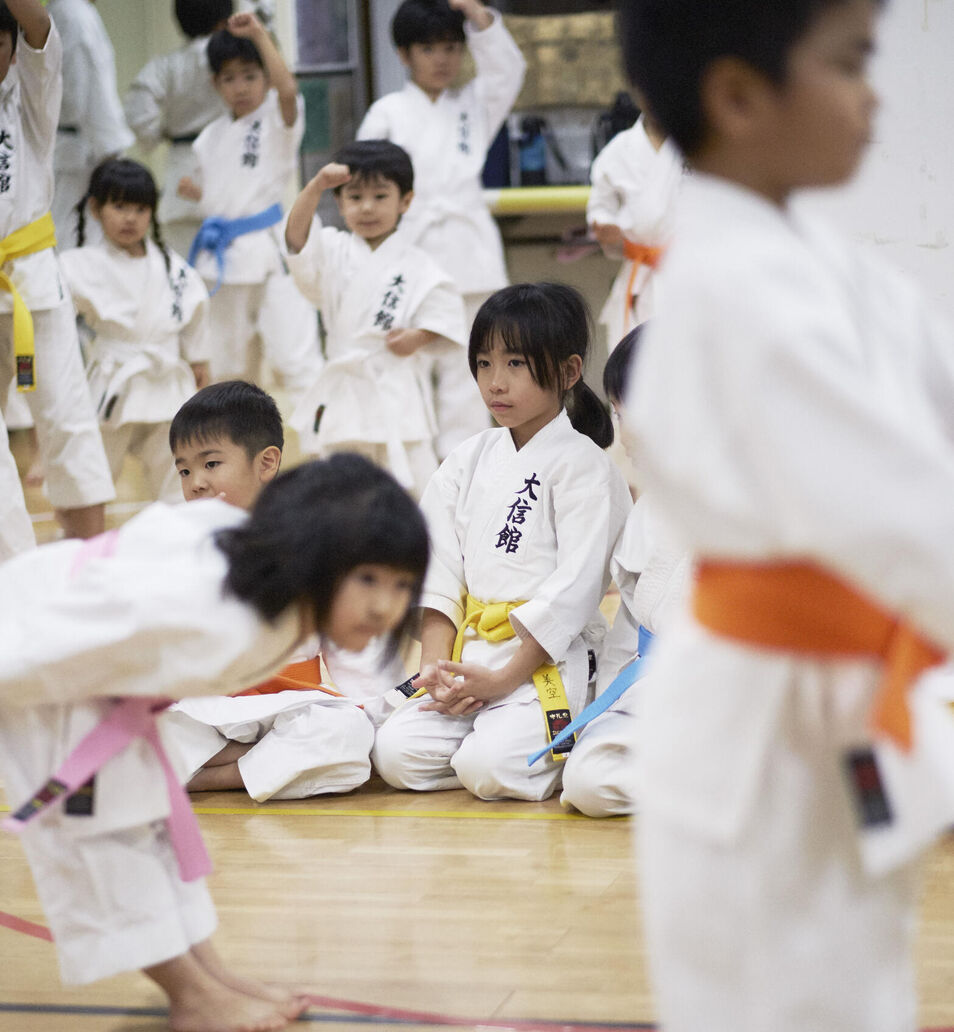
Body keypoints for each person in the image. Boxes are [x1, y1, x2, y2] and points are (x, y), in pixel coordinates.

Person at [621, 0, 954, 1032]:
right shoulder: (737, 294)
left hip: (831, 701)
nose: (876, 93)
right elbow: (907, 524)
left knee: (848, 1014)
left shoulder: (808, 249)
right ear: (740, 95)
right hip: (759, 725)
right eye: (851, 60)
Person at [0, 398, 429, 1032]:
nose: (386, 606)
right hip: (41, 665)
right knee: (107, 838)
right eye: (368, 579)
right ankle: (190, 994)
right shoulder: (221, 615)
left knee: (153, 829)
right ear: (311, 555)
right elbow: (81, 628)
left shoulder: (252, 574)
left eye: (401, 586)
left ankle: (209, 974)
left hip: (95, 682)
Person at [373, 282, 631, 802]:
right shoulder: (468, 459)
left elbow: (575, 594)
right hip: (471, 657)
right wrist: (436, 669)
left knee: (487, 770)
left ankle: (566, 730)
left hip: (544, 666)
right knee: (393, 755)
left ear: (568, 371)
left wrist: (503, 680)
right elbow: (438, 572)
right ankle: (492, 741)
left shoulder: (585, 467)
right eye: (485, 364)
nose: (496, 383)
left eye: (515, 364)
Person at [161, 381, 386, 802]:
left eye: (211, 464)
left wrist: (371, 707)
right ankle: (258, 767)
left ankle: (210, 778)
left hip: (291, 706)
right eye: (185, 471)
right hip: (207, 709)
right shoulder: (176, 546)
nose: (196, 483)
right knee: (140, 727)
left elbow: (348, 646)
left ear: (266, 463)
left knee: (347, 732)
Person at [357, 0, 526, 456]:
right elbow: (364, 192)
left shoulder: (474, 105)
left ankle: (463, 485)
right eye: (428, 48)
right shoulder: (386, 114)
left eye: (452, 47)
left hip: (468, 255)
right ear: (404, 54)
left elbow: (509, 70)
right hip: (408, 255)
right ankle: (413, 491)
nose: (442, 59)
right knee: (404, 378)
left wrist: (474, 12)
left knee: (468, 378)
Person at [0, 0, 114, 549]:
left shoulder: (29, 104)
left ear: (11, 52)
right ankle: (11, 572)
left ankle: (92, 560)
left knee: (68, 416)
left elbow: (38, 22)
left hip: (32, 281)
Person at [284, 139, 467, 497]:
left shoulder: (418, 264)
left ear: (406, 201)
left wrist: (419, 336)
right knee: (342, 491)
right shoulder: (333, 249)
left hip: (396, 389)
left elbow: (444, 314)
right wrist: (316, 185)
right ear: (338, 202)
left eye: (380, 197)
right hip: (345, 391)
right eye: (354, 198)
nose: (367, 208)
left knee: (420, 489)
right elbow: (296, 239)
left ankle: (425, 551)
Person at [560, 327, 688, 818]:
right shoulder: (651, 509)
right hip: (661, 702)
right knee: (589, 778)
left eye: (622, 412)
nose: (619, 430)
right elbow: (628, 640)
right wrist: (605, 715)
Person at [180, 11, 320, 402]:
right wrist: (199, 194)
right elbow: (221, 192)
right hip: (223, 255)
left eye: (250, 75)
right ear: (215, 84)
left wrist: (260, 34)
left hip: (271, 249)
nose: (240, 87)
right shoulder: (207, 138)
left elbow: (288, 91)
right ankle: (233, 453)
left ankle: (321, 453)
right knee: (227, 365)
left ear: (265, 78)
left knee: (296, 355)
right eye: (229, 78)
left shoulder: (276, 117)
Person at [58, 159, 210, 503]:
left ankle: (180, 539)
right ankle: (85, 539)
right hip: (113, 381)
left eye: (140, 208)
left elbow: (198, 307)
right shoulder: (76, 265)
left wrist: (199, 357)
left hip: (167, 381)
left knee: (177, 472)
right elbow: (57, 324)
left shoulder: (171, 267)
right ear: (96, 208)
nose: (130, 217)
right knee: (93, 473)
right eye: (120, 206)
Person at [124, 0, 277, 259]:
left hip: (182, 168)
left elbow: (137, 109)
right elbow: (269, 28)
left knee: (185, 274)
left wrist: (159, 134)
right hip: (232, 168)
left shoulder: (167, 66)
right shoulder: (235, 57)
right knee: (235, 265)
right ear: (224, 20)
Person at [587, 106, 684, 356]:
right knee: (634, 367)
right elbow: (600, 206)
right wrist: (605, 227)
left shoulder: (701, 140)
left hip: (692, 272)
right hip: (640, 272)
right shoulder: (619, 150)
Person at [48, 0, 132, 249]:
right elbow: (89, 95)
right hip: (77, 154)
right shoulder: (73, 16)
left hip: (74, 148)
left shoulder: (71, 9)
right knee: (73, 238)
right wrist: (115, 157)